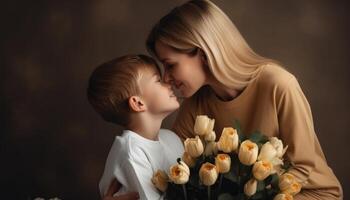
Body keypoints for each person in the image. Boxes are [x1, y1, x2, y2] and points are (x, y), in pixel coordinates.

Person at [106, 0, 343, 199]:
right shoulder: (197, 101)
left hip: (311, 194)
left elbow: (302, 166)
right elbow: (174, 167)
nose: (167, 78)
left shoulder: (278, 84)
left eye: (170, 65)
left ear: (203, 52)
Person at [87, 54, 184, 200]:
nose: (168, 82)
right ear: (138, 103)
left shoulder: (170, 138)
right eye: (158, 80)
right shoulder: (131, 153)